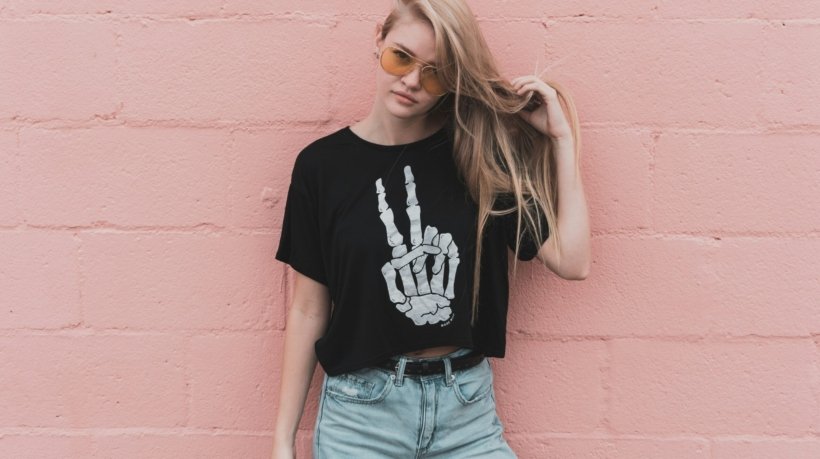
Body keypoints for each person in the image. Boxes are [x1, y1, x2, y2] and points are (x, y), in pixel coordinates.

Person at [271, 0, 590, 457]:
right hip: (360, 417)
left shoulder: (478, 156)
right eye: (400, 56)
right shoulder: (321, 168)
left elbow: (574, 261)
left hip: (467, 412)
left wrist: (561, 139)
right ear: (378, 40)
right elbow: (307, 310)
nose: (412, 82)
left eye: (436, 72)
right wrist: (282, 439)